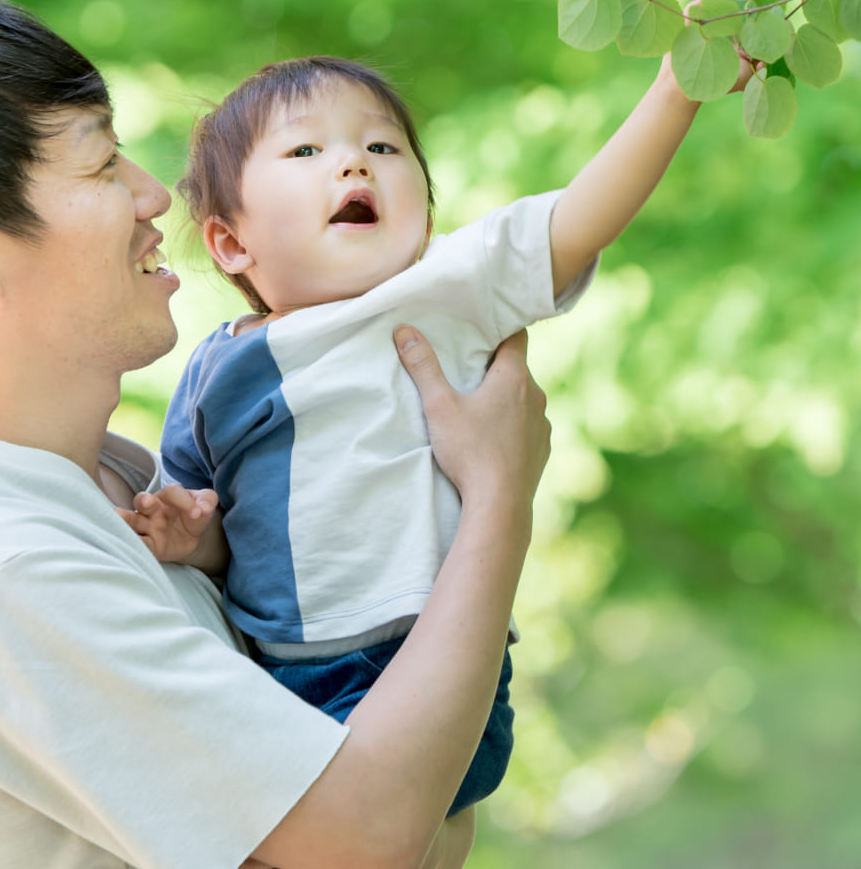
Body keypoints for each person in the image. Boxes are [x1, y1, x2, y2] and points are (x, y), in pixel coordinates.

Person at [0, 0, 551, 869]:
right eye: (103, 167)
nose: (153, 198)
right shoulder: (7, 564)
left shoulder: (109, 481)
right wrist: (496, 498)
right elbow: (365, 840)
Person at [130, 48, 759, 836]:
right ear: (230, 245)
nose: (355, 161)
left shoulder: (444, 291)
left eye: (384, 147)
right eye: (306, 151)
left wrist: (677, 91)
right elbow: (221, 521)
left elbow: (580, 216)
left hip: (438, 661)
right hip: (285, 679)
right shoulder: (218, 368)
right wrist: (192, 534)